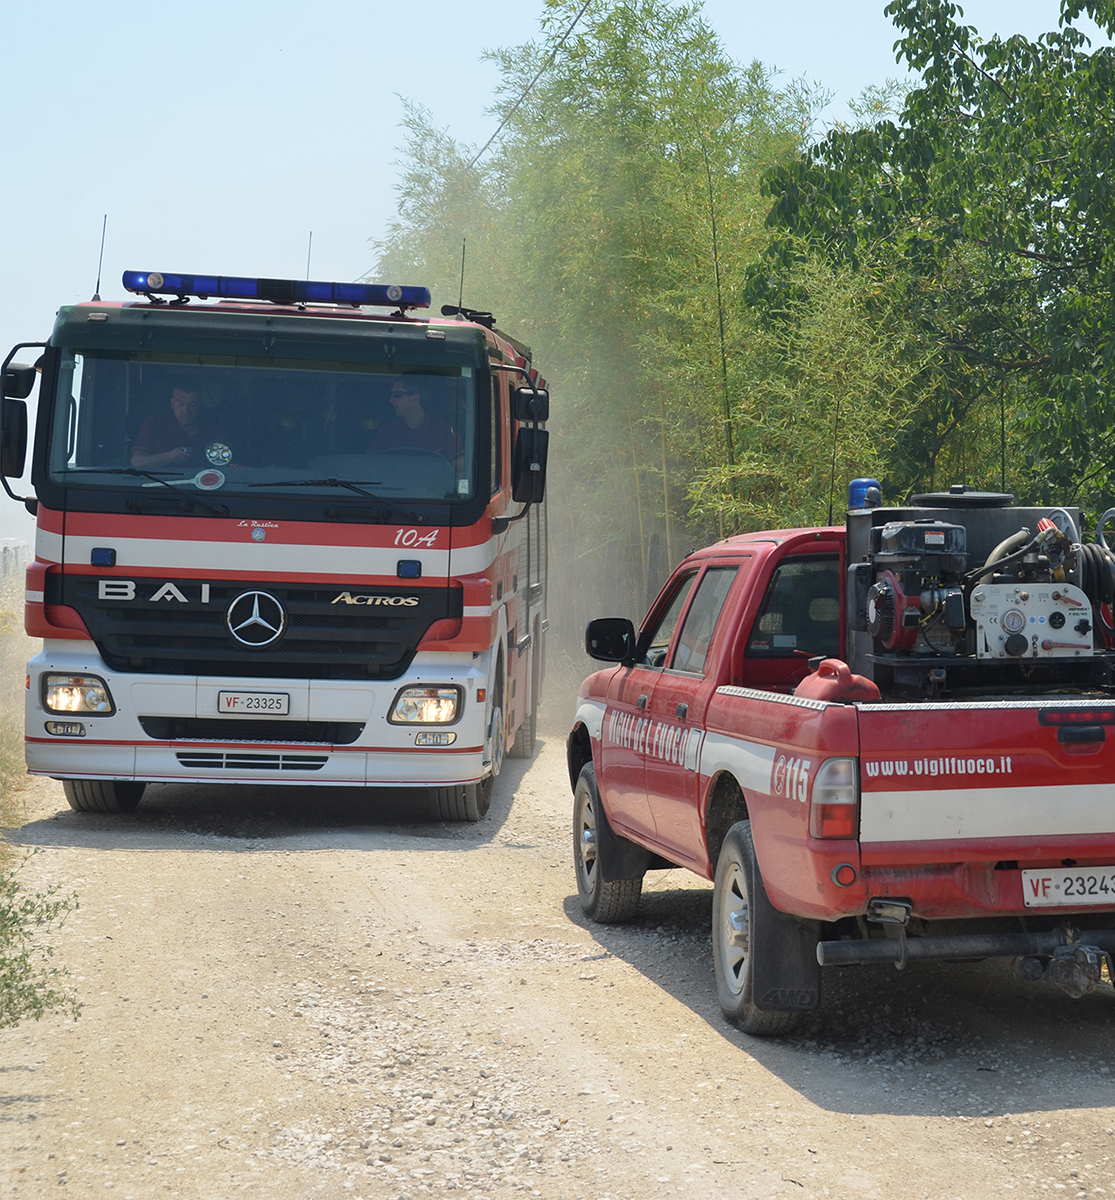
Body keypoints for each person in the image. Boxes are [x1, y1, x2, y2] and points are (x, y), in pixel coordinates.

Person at [130, 385, 221, 470]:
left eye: (193, 405)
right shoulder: (155, 423)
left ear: (200, 405)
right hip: (158, 480)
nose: (186, 411)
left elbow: (225, 463)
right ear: (172, 404)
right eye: (180, 404)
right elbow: (137, 462)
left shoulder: (212, 427)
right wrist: (169, 457)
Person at [370, 377, 456, 460]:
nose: (390, 400)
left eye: (397, 395)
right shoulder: (388, 429)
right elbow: (371, 461)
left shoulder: (444, 430)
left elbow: (459, 465)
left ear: (415, 399)